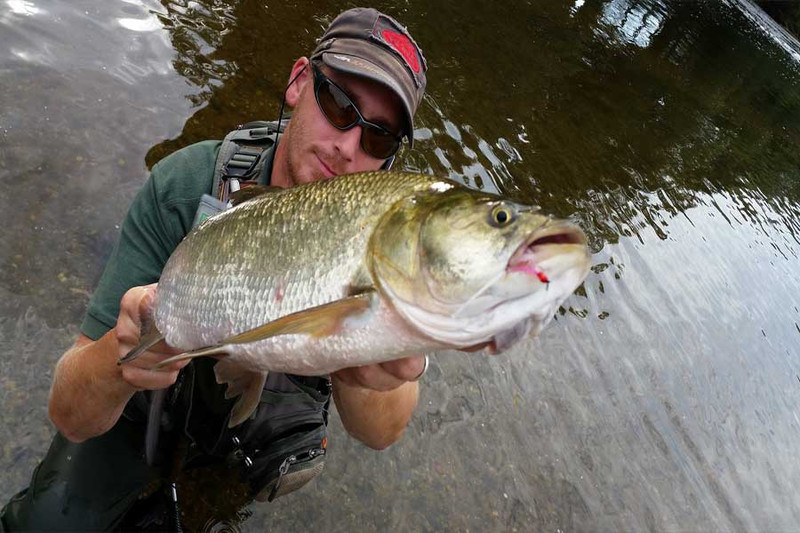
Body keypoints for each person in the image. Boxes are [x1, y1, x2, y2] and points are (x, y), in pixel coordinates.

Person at [1, 7, 428, 530]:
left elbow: (382, 431)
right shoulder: (184, 185)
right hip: (149, 405)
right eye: (338, 104)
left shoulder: (389, 234)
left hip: (251, 428)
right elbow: (69, 412)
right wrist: (124, 353)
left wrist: (365, 362)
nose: (347, 147)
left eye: (378, 138)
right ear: (299, 81)